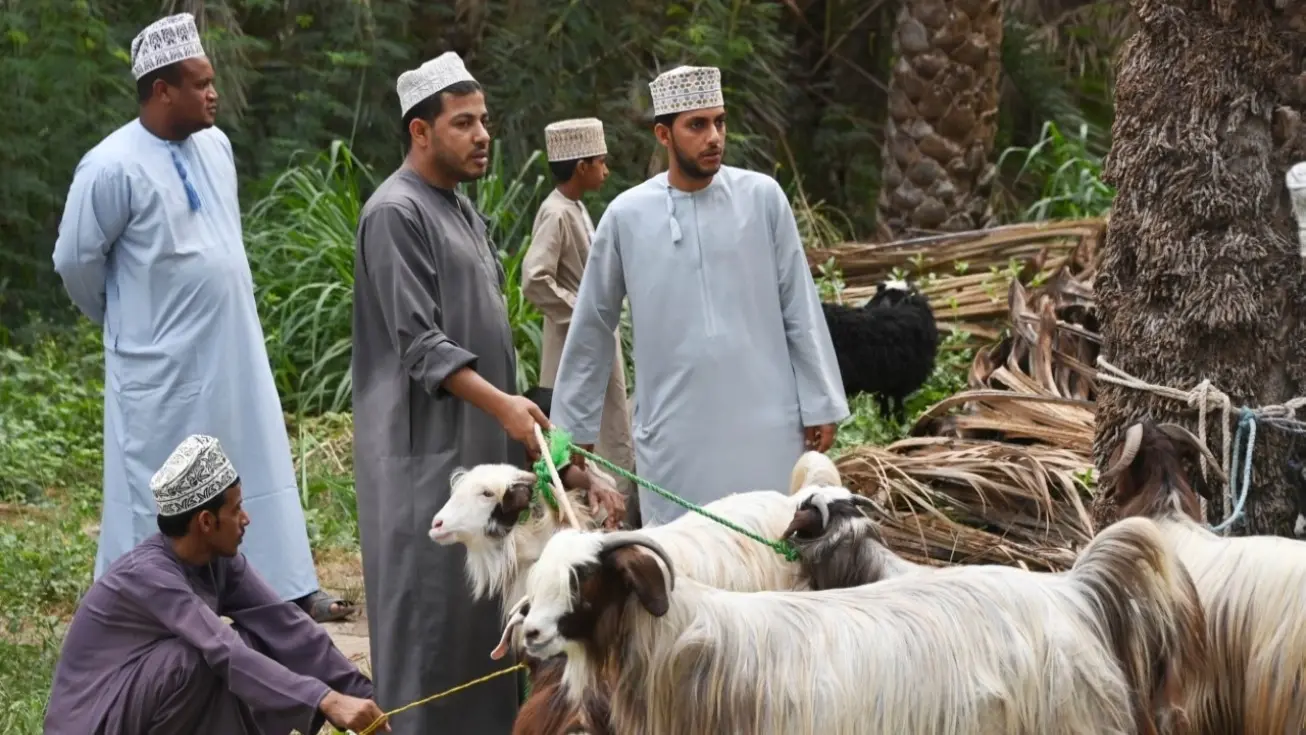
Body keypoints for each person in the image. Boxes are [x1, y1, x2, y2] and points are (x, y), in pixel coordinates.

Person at [49, 13, 353, 623]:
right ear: (163, 90)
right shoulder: (110, 166)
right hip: (158, 361)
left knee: (253, 458)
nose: (214, 93)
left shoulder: (216, 146)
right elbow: (75, 261)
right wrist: (122, 320)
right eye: (201, 83)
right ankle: (153, 600)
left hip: (231, 346)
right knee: (159, 479)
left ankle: (285, 588)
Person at [551, 64, 850, 525]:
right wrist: (572, 432)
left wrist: (820, 403)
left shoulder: (763, 198)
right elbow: (593, 323)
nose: (714, 137)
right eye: (697, 125)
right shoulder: (627, 216)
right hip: (676, 438)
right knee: (683, 556)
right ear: (663, 135)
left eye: (720, 122)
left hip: (767, 428)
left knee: (773, 545)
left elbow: (799, 305)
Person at [351, 51, 546, 734]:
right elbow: (420, 344)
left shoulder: (460, 208)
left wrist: (518, 419)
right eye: (463, 122)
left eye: (484, 120)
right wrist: (504, 406)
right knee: (429, 629)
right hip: (424, 463)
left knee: (484, 623)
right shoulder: (395, 212)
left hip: (480, 451)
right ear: (420, 131)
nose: (482, 135)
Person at [43, 434, 387, 735]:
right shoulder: (149, 575)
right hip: (95, 720)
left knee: (264, 641)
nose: (246, 518)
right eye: (236, 509)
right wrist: (326, 699)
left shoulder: (219, 561)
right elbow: (223, 650)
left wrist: (369, 697)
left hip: (138, 702)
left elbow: (288, 626)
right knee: (195, 660)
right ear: (206, 522)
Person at [521, 118, 639, 524]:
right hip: (573, 345)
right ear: (581, 166)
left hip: (594, 340)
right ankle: (584, 521)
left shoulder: (576, 208)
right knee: (577, 433)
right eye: (600, 162)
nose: (606, 170)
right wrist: (583, 310)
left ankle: (611, 516)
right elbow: (535, 278)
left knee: (610, 426)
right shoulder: (556, 213)